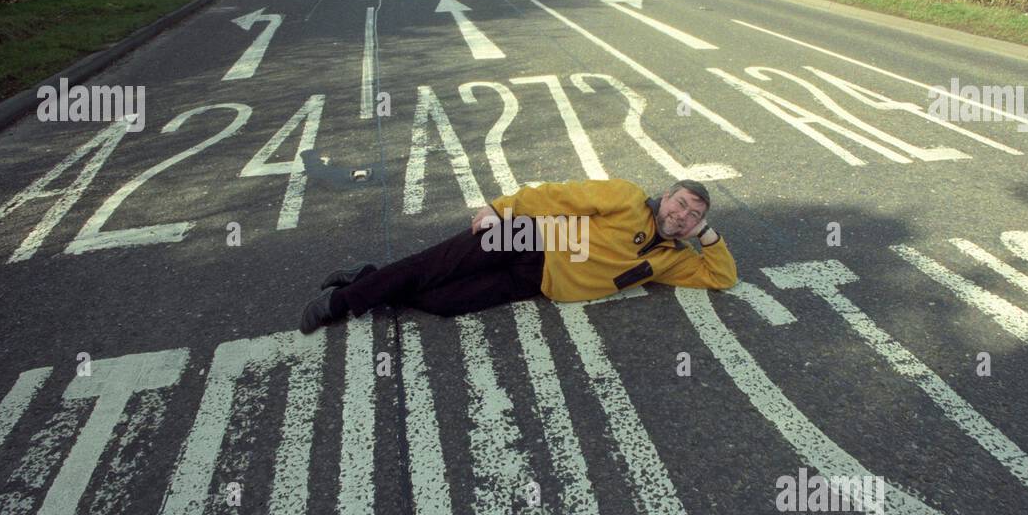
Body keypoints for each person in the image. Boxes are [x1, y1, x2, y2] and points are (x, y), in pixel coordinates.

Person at [299, 178, 737, 332]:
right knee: (434, 266)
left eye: (693, 216)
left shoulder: (673, 259)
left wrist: (709, 237)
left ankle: (369, 277)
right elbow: (558, 196)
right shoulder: (626, 198)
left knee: (442, 301)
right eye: (680, 204)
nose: (682, 216)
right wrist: (501, 208)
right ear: (666, 197)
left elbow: (722, 278)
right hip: (530, 236)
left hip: (537, 283)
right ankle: (339, 303)